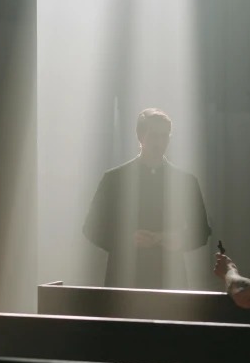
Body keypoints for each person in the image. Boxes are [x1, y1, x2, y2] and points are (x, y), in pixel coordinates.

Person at [84, 108, 211, 289]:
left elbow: (202, 231)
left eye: (164, 136)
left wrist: (180, 239)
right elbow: (91, 228)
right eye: (153, 137)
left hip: (169, 280)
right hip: (124, 282)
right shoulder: (114, 179)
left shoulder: (186, 182)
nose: (159, 143)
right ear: (140, 136)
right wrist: (126, 240)